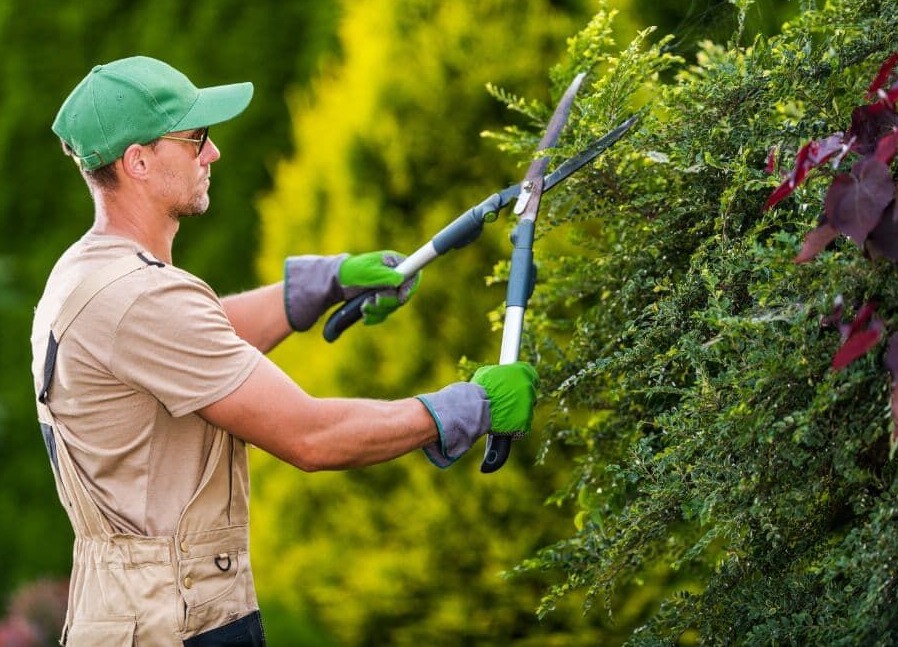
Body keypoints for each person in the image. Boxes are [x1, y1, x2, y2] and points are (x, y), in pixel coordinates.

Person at [31, 56, 538, 647]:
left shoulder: (89, 274)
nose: (212, 154)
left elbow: (199, 340)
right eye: (195, 139)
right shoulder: (141, 297)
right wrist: (466, 408)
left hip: (133, 613)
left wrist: (325, 281)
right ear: (138, 161)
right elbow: (310, 437)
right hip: (177, 625)